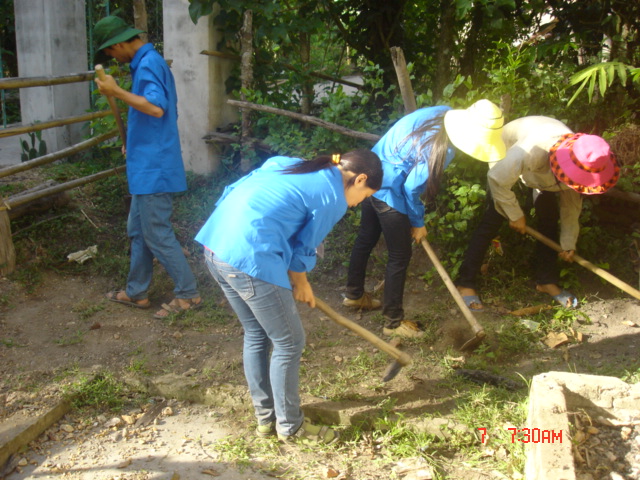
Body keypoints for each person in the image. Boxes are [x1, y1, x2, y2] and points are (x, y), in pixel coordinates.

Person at [195, 150, 382, 444]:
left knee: (256, 334)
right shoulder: (332, 198)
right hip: (249, 257)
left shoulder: (293, 164)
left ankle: (266, 420)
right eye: (364, 195)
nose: (359, 203)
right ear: (359, 179)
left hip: (217, 245)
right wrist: (301, 282)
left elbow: (244, 192)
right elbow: (305, 248)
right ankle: (290, 426)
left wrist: (295, 275)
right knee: (290, 341)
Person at [343, 100, 506, 337]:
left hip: (370, 173)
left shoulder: (441, 113)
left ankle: (354, 295)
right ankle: (393, 323)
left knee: (366, 236)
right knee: (399, 255)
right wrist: (418, 223)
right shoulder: (443, 148)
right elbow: (410, 189)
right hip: (389, 189)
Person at [93, 16, 201, 318]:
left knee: (155, 232)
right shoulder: (144, 64)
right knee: (138, 230)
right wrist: (133, 140)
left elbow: (155, 107)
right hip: (146, 163)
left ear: (118, 44)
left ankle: (188, 295)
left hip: (154, 167)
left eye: (111, 52)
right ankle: (136, 292)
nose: (112, 58)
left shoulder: (149, 63)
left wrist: (116, 92)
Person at [455, 116, 620, 310]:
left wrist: (568, 243)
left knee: (549, 219)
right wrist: (515, 214)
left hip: (544, 177)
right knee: (493, 219)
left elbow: (570, 208)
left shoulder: (584, 162)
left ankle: (545, 281)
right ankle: (465, 282)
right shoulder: (533, 150)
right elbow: (497, 178)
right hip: (506, 155)